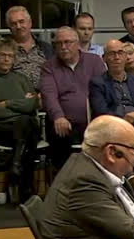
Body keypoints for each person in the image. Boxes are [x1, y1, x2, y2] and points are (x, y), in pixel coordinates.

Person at [0, 38, 41, 203]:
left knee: (27, 125)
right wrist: (21, 105)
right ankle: (26, 188)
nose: (6, 59)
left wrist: (8, 103)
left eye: (10, 56)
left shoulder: (21, 79)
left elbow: (33, 104)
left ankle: (16, 164)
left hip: (22, 128)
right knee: (28, 127)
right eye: (2, 55)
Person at [41, 26, 106, 168]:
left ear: (77, 44)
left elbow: (104, 91)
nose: (63, 47)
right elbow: (49, 95)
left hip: (94, 120)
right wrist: (58, 116)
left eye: (67, 42)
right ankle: (66, 180)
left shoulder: (94, 61)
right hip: (64, 122)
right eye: (59, 43)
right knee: (60, 137)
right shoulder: (49, 66)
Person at [90, 39, 134, 152]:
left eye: (120, 53)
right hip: (112, 125)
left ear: (125, 57)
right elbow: (101, 111)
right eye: (112, 54)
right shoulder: (98, 83)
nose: (117, 57)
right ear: (104, 58)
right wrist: (123, 120)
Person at [5, 6, 53, 90]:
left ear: (30, 23)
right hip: (16, 93)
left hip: (45, 93)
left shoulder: (45, 48)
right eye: (13, 24)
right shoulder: (5, 49)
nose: (18, 26)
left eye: (21, 21)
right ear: (10, 28)